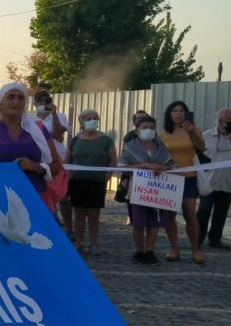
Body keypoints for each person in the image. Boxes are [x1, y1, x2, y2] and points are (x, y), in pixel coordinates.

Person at [0, 82, 63, 211]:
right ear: (0, 103)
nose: (16, 101)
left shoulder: (39, 131)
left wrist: (35, 167)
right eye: (11, 97)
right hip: (1, 200)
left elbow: (56, 167)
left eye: (21, 98)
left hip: (36, 198)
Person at [118, 116, 174, 265]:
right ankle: (139, 251)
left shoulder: (161, 146)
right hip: (137, 190)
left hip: (157, 189)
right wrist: (146, 166)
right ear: (137, 130)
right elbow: (122, 167)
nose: (148, 130)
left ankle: (149, 251)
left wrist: (161, 168)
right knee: (138, 222)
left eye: (151, 127)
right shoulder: (130, 147)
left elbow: (171, 164)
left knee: (154, 222)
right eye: (144, 127)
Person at [158, 100, 207, 264]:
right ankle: (174, 248)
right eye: (175, 110)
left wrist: (192, 132)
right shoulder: (162, 135)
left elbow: (202, 147)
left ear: (186, 114)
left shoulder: (193, 130)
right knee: (169, 215)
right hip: (169, 179)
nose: (178, 113)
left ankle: (196, 250)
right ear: (169, 114)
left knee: (190, 214)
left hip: (189, 178)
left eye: (181, 110)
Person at [65, 109, 116, 255]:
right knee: (79, 213)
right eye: (89, 118)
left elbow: (112, 161)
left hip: (97, 182)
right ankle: (79, 242)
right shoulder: (74, 141)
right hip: (78, 182)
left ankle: (94, 243)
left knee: (94, 214)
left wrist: (105, 178)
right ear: (81, 122)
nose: (92, 121)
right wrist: (70, 177)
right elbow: (67, 161)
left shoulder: (106, 140)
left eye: (95, 118)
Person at [197, 108, 231, 249]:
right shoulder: (205, 136)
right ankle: (197, 239)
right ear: (219, 121)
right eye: (228, 121)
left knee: (221, 213)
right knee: (203, 211)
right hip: (209, 181)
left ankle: (215, 239)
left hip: (228, 182)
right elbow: (198, 158)